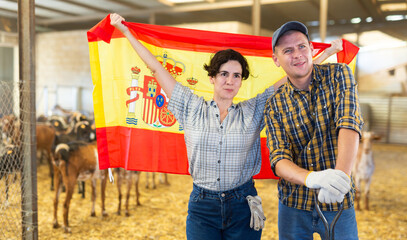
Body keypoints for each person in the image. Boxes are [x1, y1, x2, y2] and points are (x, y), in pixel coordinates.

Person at [110, 13, 341, 240]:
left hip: (243, 206)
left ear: (242, 81)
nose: (230, 81)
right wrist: (125, 31)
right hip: (202, 208)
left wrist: (327, 53)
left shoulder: (253, 110)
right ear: (212, 77)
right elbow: (156, 68)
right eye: (224, 74)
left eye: (237, 76)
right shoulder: (190, 107)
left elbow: (291, 77)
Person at [264, 21, 363, 239]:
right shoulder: (274, 104)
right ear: (276, 59)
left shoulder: (339, 75)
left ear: (311, 49)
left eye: (301, 46)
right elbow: (279, 158)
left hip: (339, 201)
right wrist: (312, 179)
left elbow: (349, 123)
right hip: (293, 205)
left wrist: (339, 178)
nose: (297, 54)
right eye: (287, 50)